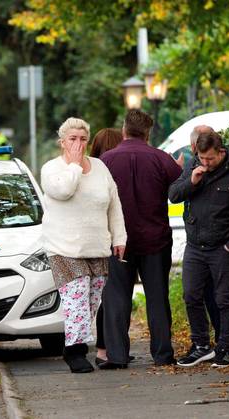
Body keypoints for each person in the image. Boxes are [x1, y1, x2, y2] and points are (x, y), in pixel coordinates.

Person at [41, 117, 126, 373]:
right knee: (76, 299)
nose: (78, 144)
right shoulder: (52, 169)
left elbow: (114, 204)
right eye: (73, 139)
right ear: (62, 142)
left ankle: (74, 345)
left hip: (97, 246)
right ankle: (76, 352)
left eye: (83, 139)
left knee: (91, 302)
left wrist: (119, 238)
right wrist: (76, 166)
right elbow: (64, 190)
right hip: (64, 248)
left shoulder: (100, 167)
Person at [169, 129, 229, 368]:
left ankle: (226, 347)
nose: (205, 163)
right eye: (201, 158)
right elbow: (174, 194)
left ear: (221, 151)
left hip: (224, 247)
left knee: (224, 299)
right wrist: (192, 181)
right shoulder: (194, 166)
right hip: (195, 246)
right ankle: (200, 345)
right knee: (191, 296)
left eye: (210, 158)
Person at [100, 109, 182, 368]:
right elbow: (180, 185)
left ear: (124, 129)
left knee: (116, 297)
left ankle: (116, 356)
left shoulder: (107, 161)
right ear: (148, 132)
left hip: (117, 242)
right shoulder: (162, 159)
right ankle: (162, 354)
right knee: (157, 296)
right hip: (155, 240)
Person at [87, 127, 125, 365]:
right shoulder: (113, 171)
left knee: (104, 298)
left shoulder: (92, 171)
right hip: (114, 240)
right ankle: (109, 348)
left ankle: (103, 349)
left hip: (97, 240)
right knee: (113, 297)